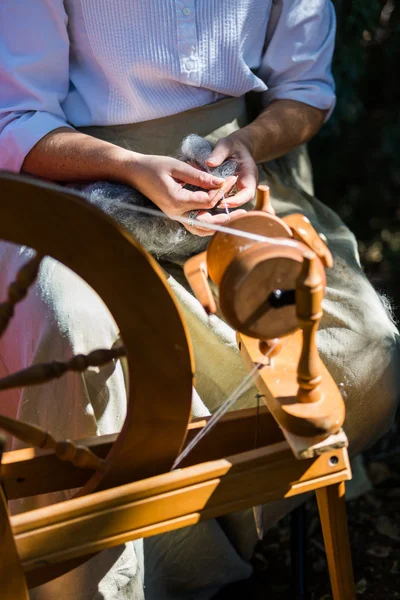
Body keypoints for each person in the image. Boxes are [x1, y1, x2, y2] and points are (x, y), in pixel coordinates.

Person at [0, 1, 399, 599]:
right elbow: (15, 117)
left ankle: (188, 544)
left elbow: (305, 89)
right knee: (71, 322)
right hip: (76, 187)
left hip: (231, 188)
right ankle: (105, 581)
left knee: (367, 358)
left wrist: (247, 143)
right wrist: (129, 165)